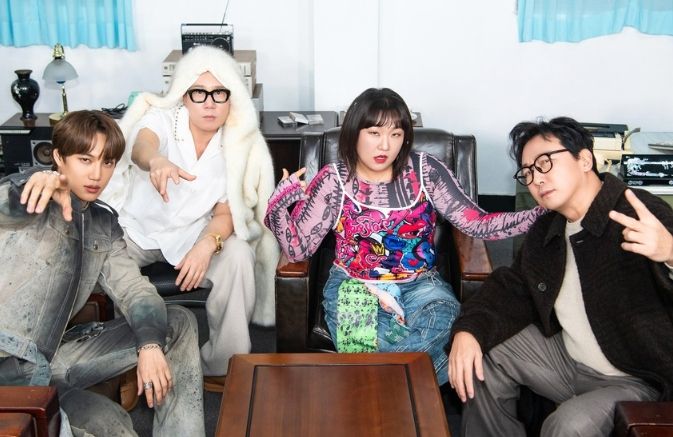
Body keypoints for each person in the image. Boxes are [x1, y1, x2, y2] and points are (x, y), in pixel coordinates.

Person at [264, 88, 543, 385]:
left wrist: (539, 214)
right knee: (390, 346)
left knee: (446, 327)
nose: (385, 145)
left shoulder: (426, 171)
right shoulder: (333, 180)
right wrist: (279, 205)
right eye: (374, 133)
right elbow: (297, 250)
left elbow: (476, 223)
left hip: (422, 285)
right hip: (355, 285)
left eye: (396, 134)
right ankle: (405, 389)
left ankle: (375, 384)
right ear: (354, 133)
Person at [448, 116, 673, 437]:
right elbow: (512, 287)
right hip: (568, 360)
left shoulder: (638, 212)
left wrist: (669, 251)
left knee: (566, 425)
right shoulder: (548, 227)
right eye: (527, 172)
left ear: (584, 159)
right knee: (479, 357)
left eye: (545, 163)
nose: (536, 179)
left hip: (636, 378)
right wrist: (469, 330)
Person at [0, 110, 205, 436]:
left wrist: (150, 345)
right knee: (112, 425)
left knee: (177, 322)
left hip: (54, 359)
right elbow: (9, 205)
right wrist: (29, 184)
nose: (97, 174)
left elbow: (134, 290)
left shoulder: (103, 224)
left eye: (107, 162)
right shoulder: (32, 196)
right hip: (7, 369)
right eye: (85, 159)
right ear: (59, 158)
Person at [100, 45, 278, 391]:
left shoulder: (238, 143)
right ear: (184, 95)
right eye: (199, 93)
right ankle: (126, 365)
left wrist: (208, 245)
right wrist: (156, 161)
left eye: (219, 93)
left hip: (192, 233)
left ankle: (222, 366)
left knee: (238, 254)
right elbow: (141, 146)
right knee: (102, 264)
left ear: (231, 97)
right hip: (137, 230)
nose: (209, 103)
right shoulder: (163, 119)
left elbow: (227, 211)